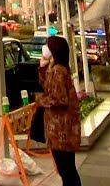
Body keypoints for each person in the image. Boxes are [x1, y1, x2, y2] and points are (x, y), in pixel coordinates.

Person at [35, 35, 82, 186]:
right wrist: (42, 68)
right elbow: (47, 85)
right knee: (65, 169)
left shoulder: (59, 70)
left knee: (67, 169)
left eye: (48, 46)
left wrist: (39, 100)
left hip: (62, 128)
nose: (45, 49)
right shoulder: (55, 68)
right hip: (59, 129)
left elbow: (59, 98)